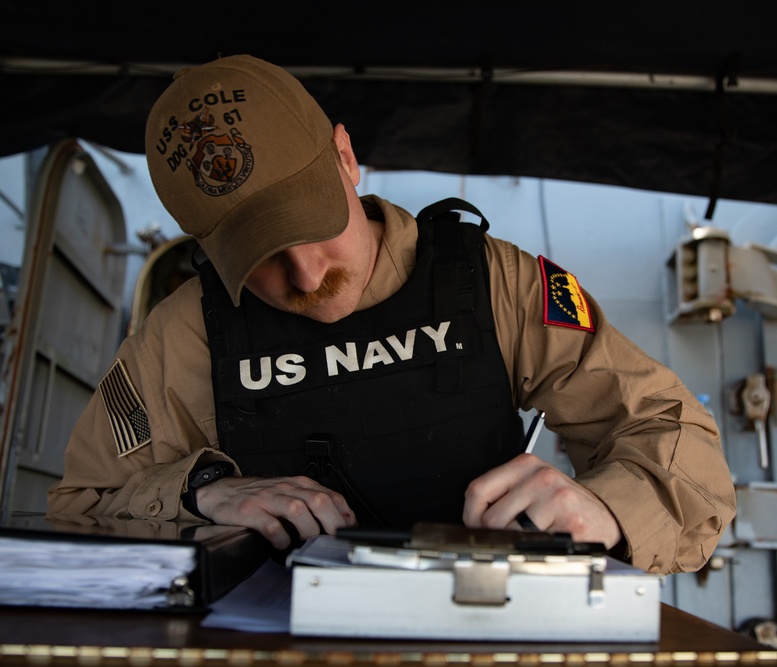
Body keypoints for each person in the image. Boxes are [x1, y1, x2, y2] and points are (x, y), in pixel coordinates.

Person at [48, 55, 735, 574]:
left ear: (346, 158)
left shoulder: (495, 281)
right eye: (260, 258)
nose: (308, 277)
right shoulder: (182, 334)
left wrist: (607, 507)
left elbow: (680, 444)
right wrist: (201, 493)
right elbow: (80, 510)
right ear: (206, 249)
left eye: (314, 227)